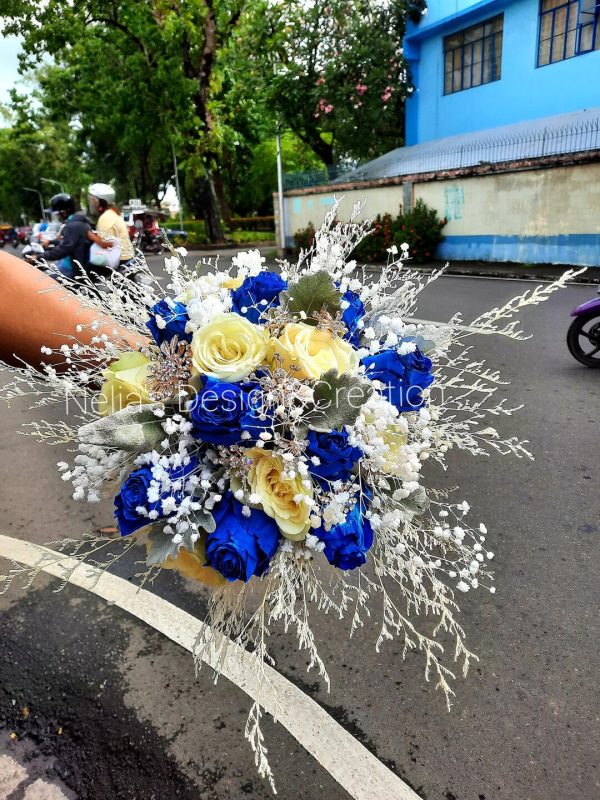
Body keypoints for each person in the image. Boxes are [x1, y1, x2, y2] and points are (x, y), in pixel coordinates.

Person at [0, 248, 143, 369]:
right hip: (90, 268)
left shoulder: (76, 229)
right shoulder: (88, 228)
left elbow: (64, 248)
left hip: (79, 270)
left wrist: (148, 361)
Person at [39, 194, 92, 275]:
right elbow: (67, 241)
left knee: (42, 279)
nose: (57, 217)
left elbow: (63, 250)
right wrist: (50, 242)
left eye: (57, 214)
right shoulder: (76, 223)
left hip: (72, 268)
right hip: (69, 263)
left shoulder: (73, 226)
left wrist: (39, 257)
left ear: (63, 212)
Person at [87, 183, 135, 267]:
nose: (92, 203)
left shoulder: (106, 217)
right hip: (126, 256)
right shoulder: (113, 213)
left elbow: (106, 244)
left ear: (100, 201)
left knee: (85, 272)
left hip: (119, 259)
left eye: (93, 200)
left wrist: (89, 234)